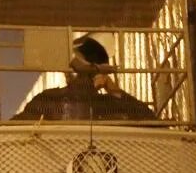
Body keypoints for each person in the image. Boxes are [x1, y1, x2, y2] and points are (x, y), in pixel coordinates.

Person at [11, 36, 157, 122]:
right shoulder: (108, 104)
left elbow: (17, 124)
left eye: (74, 67)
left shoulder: (49, 98)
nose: (68, 72)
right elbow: (150, 120)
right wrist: (115, 92)